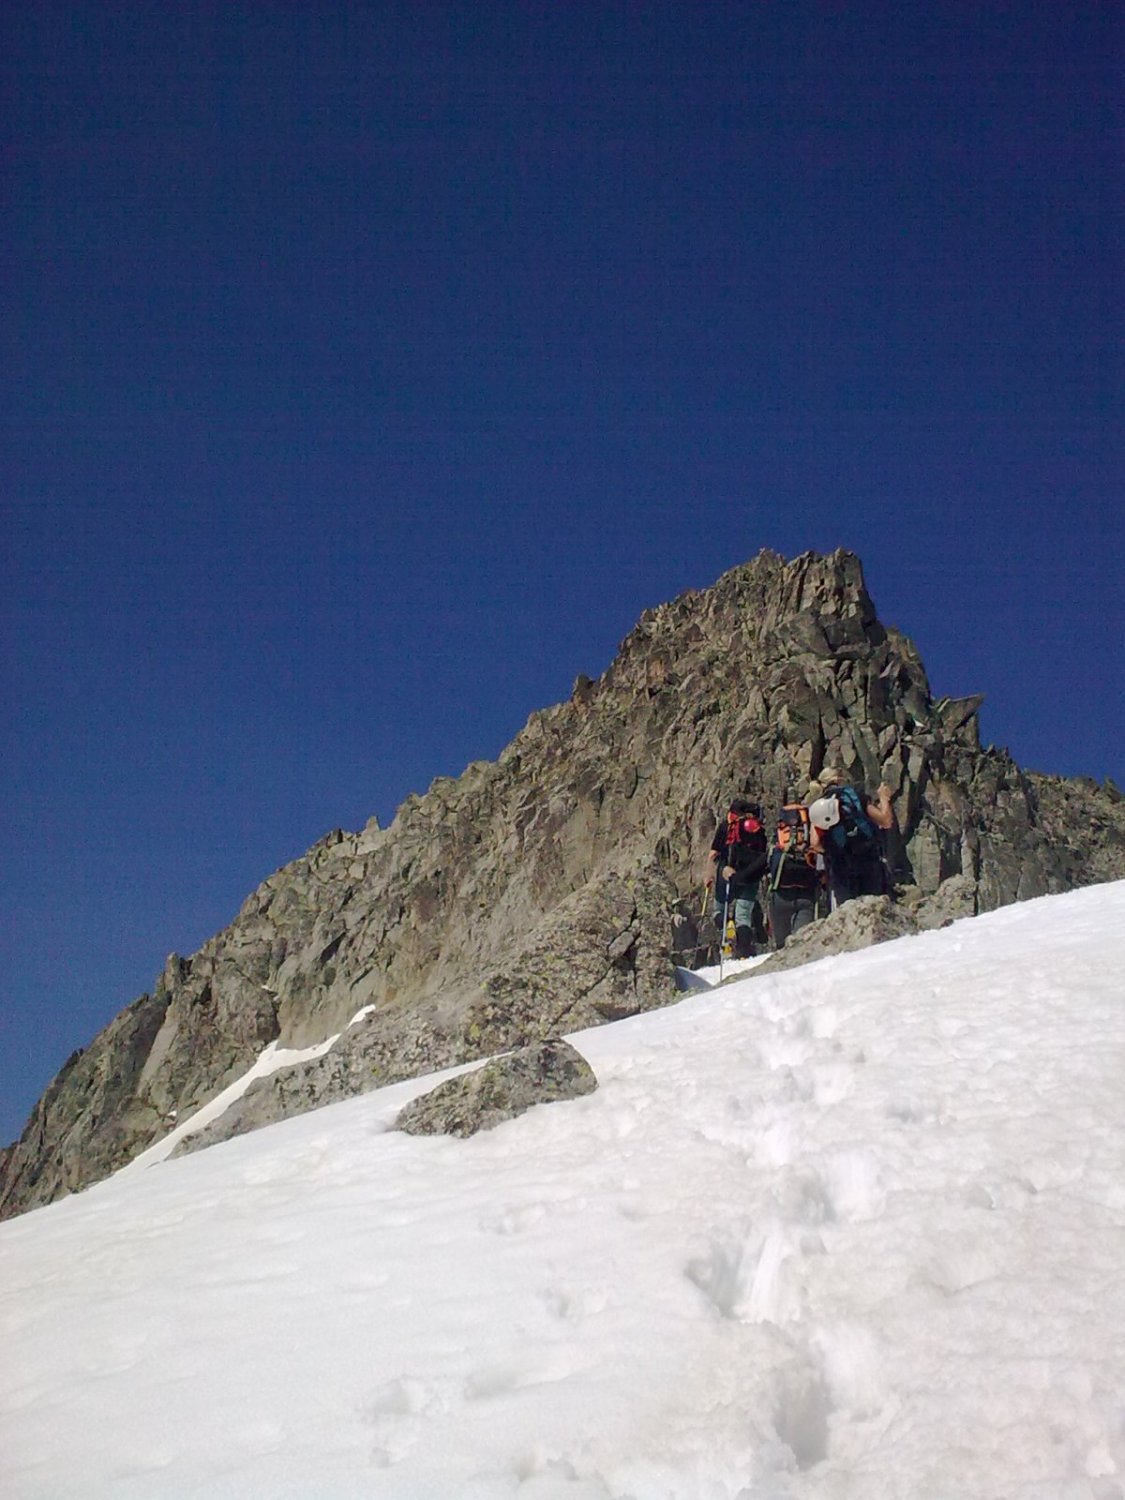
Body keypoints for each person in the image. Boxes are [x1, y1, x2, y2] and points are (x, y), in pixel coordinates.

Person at [808, 768, 895, 908]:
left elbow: (815, 843)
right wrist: (884, 798)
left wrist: (831, 851)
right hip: (869, 862)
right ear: (839, 780)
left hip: (840, 870)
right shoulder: (856, 797)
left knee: (847, 912)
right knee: (873, 909)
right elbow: (885, 821)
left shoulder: (820, 806)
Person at [706, 798, 769, 958]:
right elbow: (763, 855)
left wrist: (709, 875)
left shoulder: (726, 826)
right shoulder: (758, 830)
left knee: (719, 910)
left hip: (726, 872)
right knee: (743, 916)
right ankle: (743, 952)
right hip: (749, 876)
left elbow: (713, 854)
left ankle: (727, 926)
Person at [767, 810, 822, 948]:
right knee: (801, 943)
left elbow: (762, 866)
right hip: (806, 897)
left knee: (782, 945)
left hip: (780, 897)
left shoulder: (777, 850)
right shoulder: (813, 851)